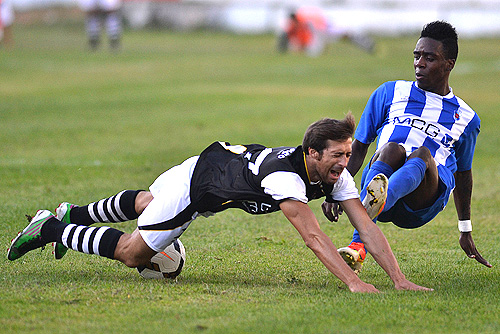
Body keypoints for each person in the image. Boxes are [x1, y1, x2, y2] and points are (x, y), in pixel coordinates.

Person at [7, 115, 432, 293]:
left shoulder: (333, 174)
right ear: (312, 153)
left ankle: (71, 215)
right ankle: (50, 228)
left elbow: (368, 226)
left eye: (347, 154)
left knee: (145, 202)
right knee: (132, 254)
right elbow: (315, 238)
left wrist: (398, 278)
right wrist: (354, 282)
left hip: (207, 164)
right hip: (194, 189)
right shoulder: (288, 177)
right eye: (337, 155)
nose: (345, 163)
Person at [322, 21, 492, 274]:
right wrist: (334, 189)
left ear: (449, 64)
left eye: (429, 58)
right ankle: (358, 245)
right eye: (417, 55)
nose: (419, 63)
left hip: (421, 200)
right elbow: (358, 148)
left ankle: (375, 204)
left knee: (422, 154)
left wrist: (465, 229)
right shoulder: (390, 92)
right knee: (392, 148)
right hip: (383, 171)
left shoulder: (467, 118)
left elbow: (463, 174)